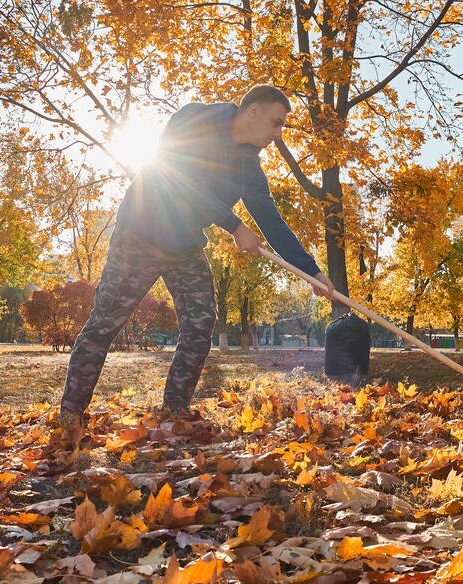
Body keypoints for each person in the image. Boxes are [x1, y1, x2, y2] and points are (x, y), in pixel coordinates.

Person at [53, 85, 334, 451]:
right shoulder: (196, 119)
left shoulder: (249, 167)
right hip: (140, 232)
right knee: (105, 321)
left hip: (184, 244)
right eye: (276, 122)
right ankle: (70, 416)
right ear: (253, 111)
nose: (278, 133)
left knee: (201, 323)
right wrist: (233, 225)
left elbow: (272, 222)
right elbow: (175, 176)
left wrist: (311, 271)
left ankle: (175, 411)